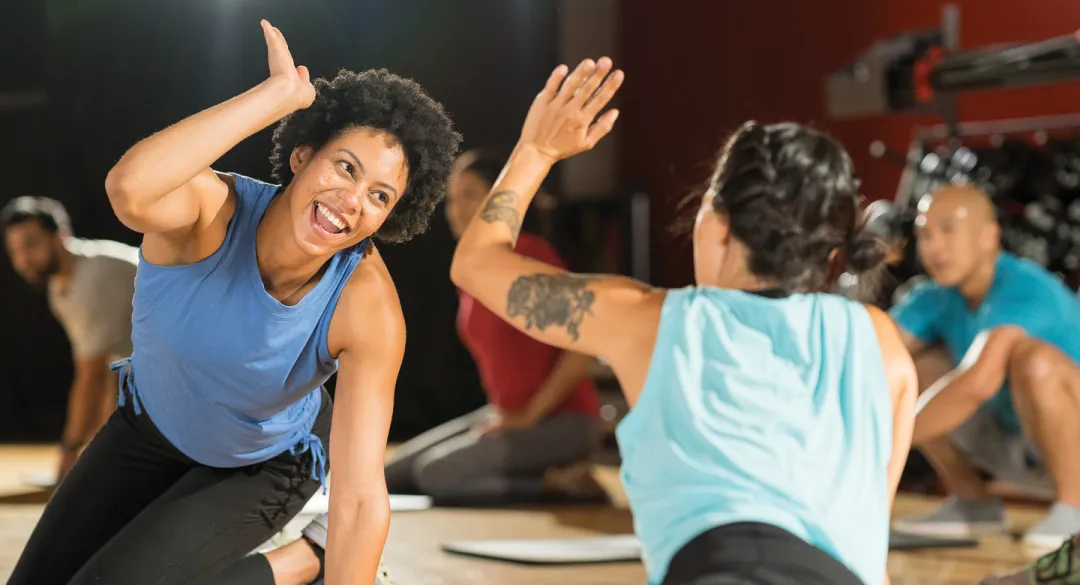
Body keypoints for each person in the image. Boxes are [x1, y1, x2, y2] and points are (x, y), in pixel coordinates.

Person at [9, 20, 460, 585]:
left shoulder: (367, 305)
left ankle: (308, 561)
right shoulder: (209, 213)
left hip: (266, 465)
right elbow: (130, 187)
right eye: (345, 167)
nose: (351, 201)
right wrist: (276, 98)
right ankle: (303, 560)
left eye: (379, 196)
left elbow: (362, 498)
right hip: (148, 429)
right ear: (302, 157)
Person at [450, 57, 916, 585]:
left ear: (718, 227)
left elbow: (475, 264)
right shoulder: (881, 342)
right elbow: (866, 523)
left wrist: (536, 150)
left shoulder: (656, 322)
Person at [382, 148, 605, 506]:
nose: (456, 209)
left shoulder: (527, 256)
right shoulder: (472, 270)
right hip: (506, 415)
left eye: (470, 194)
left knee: (435, 475)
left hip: (564, 422)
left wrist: (527, 418)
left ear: (501, 198)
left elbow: (583, 348)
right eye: (452, 199)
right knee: (392, 476)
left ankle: (560, 486)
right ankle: (534, 472)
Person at [889, 185, 1080, 549]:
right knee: (912, 368)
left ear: (989, 237)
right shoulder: (933, 296)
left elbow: (978, 383)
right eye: (925, 234)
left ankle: (1075, 509)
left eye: (948, 230)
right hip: (1016, 444)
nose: (934, 247)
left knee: (1034, 361)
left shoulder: (1027, 287)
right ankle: (974, 505)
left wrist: (877, 445)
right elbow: (874, 355)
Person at [2, 196, 138, 482]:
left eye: (31, 244)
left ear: (60, 236)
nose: (22, 259)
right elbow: (105, 369)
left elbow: (91, 375)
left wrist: (70, 449)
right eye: (15, 250)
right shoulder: (60, 287)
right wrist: (97, 453)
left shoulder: (93, 279)